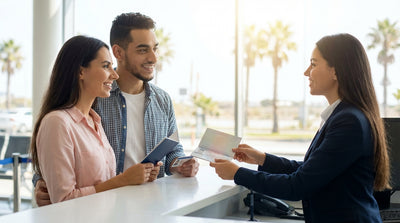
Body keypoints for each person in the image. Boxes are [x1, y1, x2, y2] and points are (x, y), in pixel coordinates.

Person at [210, 33, 390, 222]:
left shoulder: (349, 121)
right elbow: (311, 170)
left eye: (313, 64)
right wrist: (262, 159)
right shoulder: (344, 115)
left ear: (336, 71)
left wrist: (237, 173)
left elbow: (298, 185)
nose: (306, 72)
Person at [34, 12, 199, 206]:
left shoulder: (162, 100)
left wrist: (181, 164)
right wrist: (41, 182)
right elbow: (54, 155)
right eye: (143, 50)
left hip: (152, 206)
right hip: (105, 208)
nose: (153, 58)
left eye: (155, 49)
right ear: (118, 52)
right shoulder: (95, 98)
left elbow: (173, 149)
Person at [30, 35, 160, 203]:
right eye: (106, 66)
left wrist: (138, 177)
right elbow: (63, 201)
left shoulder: (94, 121)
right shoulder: (57, 123)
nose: (114, 75)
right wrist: (123, 180)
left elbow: (102, 184)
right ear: (80, 71)